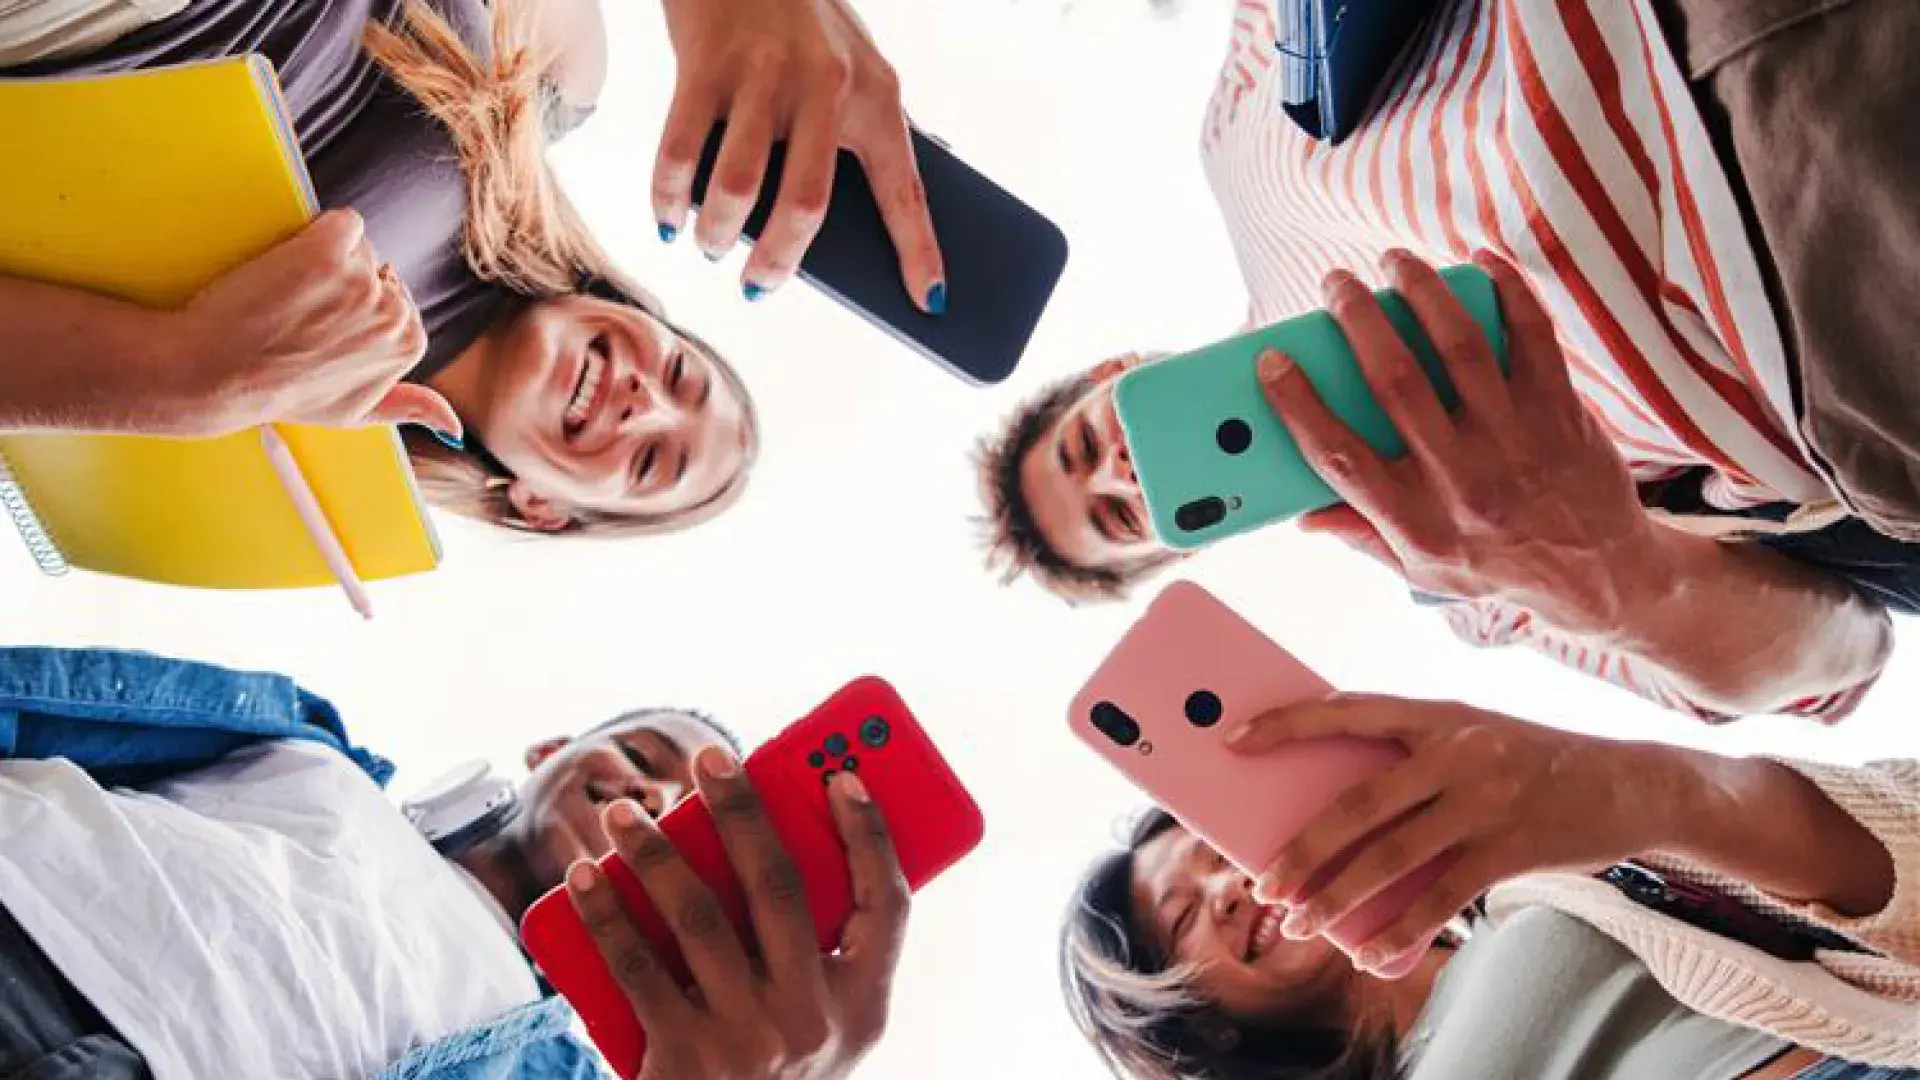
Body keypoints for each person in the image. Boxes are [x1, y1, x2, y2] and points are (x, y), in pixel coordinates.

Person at [975, 0, 1918, 724]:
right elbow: (1843, 656)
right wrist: (1620, 578)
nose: (1122, 472)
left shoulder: (1233, 144)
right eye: (1119, 514)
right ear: (1184, 543)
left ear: (1115, 369)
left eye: (1084, 446)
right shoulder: (1456, 571)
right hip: (1844, 360)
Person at [0, 0, 945, 536]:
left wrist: (182, 381)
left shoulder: (275, 466)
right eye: (678, 373)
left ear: (541, 506)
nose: (643, 403)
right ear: (640, 310)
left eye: (651, 460)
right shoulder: (559, 86)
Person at [0, 647, 914, 1079]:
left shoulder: (556, 1066)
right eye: (641, 756)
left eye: (692, 822)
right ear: (552, 750)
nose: (653, 799)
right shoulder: (308, 743)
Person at [1060, 691, 1920, 1080]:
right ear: (1195, 1022)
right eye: (1182, 919)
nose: (1227, 889)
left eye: (1218, 851)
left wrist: (1654, 791)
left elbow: (1887, 875)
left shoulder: (1534, 881)